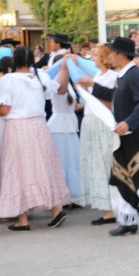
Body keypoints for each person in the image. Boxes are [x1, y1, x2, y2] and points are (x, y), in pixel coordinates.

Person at [78, 37, 139, 236]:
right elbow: (116, 95)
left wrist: (128, 122)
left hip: (133, 134)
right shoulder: (124, 74)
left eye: (112, 52)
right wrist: (93, 85)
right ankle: (128, 219)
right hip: (122, 134)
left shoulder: (134, 74)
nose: (109, 55)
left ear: (121, 54)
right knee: (120, 177)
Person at [0, 47, 70, 231]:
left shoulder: (8, 80)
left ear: (14, 60)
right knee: (45, 167)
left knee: (18, 170)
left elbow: (4, 109)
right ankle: (56, 209)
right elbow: (59, 89)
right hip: (39, 125)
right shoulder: (40, 77)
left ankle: (23, 218)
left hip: (17, 127)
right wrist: (65, 68)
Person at [82, 45, 117, 225]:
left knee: (104, 163)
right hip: (92, 122)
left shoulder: (111, 77)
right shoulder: (97, 76)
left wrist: (92, 89)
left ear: (104, 58)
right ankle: (106, 206)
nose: (93, 58)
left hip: (101, 123)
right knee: (96, 164)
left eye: (96, 55)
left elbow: (110, 101)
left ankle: (111, 208)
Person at [50, 56, 83, 206]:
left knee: (71, 162)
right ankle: (62, 196)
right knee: (63, 162)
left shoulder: (70, 84)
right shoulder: (57, 83)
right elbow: (60, 91)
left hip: (69, 125)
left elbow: (72, 106)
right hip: (59, 127)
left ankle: (70, 195)